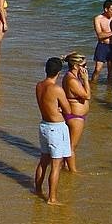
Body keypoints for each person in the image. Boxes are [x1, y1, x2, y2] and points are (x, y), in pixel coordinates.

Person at [35, 57, 73, 204]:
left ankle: (38, 189)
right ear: (59, 72)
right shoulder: (56, 89)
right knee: (56, 165)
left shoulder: (39, 85)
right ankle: (52, 198)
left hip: (44, 125)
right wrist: (59, 108)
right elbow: (68, 110)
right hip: (55, 128)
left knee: (43, 161)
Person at [61, 53, 90, 173]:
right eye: (84, 65)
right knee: (71, 146)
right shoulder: (72, 80)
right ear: (75, 65)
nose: (86, 68)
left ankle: (64, 167)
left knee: (69, 145)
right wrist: (86, 80)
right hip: (75, 117)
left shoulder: (71, 76)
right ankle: (73, 172)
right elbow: (87, 95)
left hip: (74, 115)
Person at [91, 0, 112, 83]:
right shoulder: (98, 19)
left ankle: (110, 91)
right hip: (102, 45)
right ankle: (93, 86)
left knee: (111, 70)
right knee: (98, 69)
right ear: (106, 9)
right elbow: (100, 35)